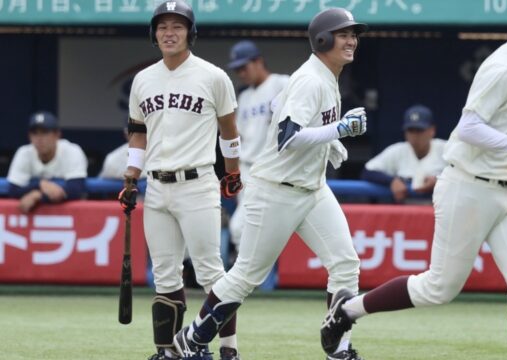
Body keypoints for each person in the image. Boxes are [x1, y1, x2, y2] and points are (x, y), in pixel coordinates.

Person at [320, 1, 507, 360]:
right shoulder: (502, 67)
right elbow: (468, 128)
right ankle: (347, 311)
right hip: (469, 185)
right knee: (439, 288)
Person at [173, 8, 368, 360]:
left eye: (353, 34)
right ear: (323, 39)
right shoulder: (313, 78)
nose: (351, 40)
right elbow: (287, 137)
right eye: (343, 34)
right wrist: (339, 130)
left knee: (345, 264)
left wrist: (330, 143)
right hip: (277, 188)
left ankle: (339, 349)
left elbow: (280, 106)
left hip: (312, 188)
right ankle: (190, 339)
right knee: (246, 275)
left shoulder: (322, 75)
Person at [116, 2, 243, 360]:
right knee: (165, 276)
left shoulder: (213, 76)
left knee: (211, 274)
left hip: (197, 182)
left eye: (177, 26)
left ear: (190, 32)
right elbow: (138, 134)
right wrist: (131, 174)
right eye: (162, 27)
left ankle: (228, 349)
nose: (169, 33)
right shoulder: (143, 80)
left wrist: (233, 172)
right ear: (154, 34)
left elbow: (229, 132)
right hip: (155, 186)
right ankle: (168, 351)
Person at [226, 40, 289, 248]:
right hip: (247, 168)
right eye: (237, 69)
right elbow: (239, 136)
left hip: (271, 169)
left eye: (244, 67)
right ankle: (252, 277)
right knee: (249, 229)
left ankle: (245, 276)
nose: (241, 73)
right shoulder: (243, 96)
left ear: (258, 61)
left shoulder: (281, 83)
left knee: (240, 228)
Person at [361, 104, 447, 203]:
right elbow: (367, 171)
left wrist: (441, 182)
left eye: (420, 130)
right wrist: (392, 181)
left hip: (439, 212)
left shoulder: (446, 149)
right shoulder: (398, 150)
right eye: (410, 130)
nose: (415, 136)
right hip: (406, 212)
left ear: (432, 130)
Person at [7, 111, 87, 213]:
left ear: (57, 135)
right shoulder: (24, 153)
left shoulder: (72, 151)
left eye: (45, 132)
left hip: (72, 216)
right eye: (35, 133)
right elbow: (13, 190)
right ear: (29, 136)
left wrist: (39, 195)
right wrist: (40, 185)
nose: (39, 139)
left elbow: (76, 189)